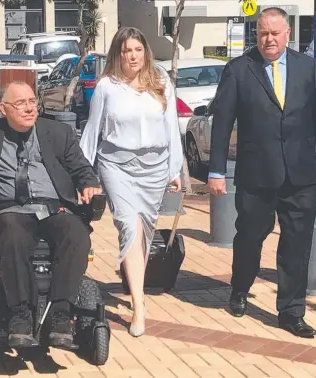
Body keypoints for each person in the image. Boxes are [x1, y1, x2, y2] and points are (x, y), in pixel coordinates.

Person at [207, 7, 316, 338]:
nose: (269, 39)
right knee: (250, 236)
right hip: (256, 174)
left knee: (296, 244)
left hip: (301, 173)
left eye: (275, 33)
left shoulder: (308, 68)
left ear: (288, 33)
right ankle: (240, 287)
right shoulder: (238, 70)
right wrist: (217, 170)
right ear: (257, 34)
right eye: (263, 33)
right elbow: (222, 124)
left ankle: (291, 311)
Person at [0, 80, 102, 349]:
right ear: (4, 109)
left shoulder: (57, 133)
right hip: (9, 208)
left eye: (32, 102)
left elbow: (81, 168)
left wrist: (87, 184)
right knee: (13, 234)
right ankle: (20, 315)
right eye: (20, 103)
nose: (29, 108)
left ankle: (61, 315)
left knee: (76, 234)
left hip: (53, 206)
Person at [79, 27, 184, 338]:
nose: (133, 56)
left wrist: (174, 170)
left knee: (143, 234)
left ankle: (131, 276)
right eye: (127, 51)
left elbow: (171, 128)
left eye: (138, 50)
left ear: (145, 52)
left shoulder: (161, 81)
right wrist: (82, 174)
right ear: (118, 54)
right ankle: (139, 306)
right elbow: (92, 131)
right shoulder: (107, 87)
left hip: (154, 168)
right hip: (117, 166)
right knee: (130, 226)